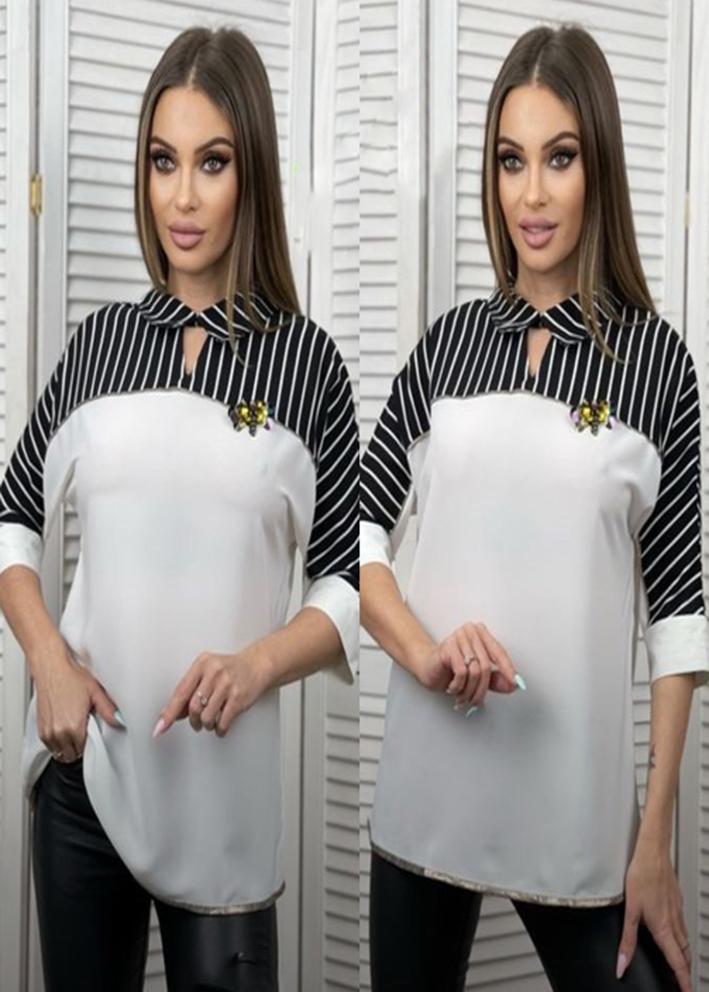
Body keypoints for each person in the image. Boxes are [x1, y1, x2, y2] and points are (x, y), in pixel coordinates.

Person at [0, 25, 358, 992]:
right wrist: (48, 659)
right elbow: (12, 517)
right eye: (164, 162)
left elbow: (345, 587)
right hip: (84, 784)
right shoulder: (99, 346)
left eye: (212, 162)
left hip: (222, 806)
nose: (183, 197)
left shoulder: (306, 363)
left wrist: (256, 664)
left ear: (252, 176)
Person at [360, 23, 706, 992]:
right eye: (510, 161)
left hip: (575, 811)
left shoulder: (655, 363)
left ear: (598, 168)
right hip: (427, 795)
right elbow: (354, 532)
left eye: (559, 158)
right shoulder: (447, 347)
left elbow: (678, 618)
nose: (532, 194)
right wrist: (422, 651)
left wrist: (651, 841)